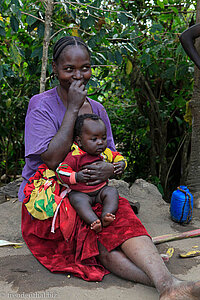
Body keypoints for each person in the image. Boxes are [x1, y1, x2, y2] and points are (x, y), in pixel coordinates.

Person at [18, 35, 200, 299]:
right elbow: (51, 160)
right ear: (55, 69)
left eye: (85, 68)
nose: (78, 76)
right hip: (50, 198)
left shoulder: (98, 109)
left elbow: (111, 154)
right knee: (95, 236)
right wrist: (72, 108)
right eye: (69, 69)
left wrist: (112, 169)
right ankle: (167, 284)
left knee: (123, 220)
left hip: (93, 190)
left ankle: (169, 285)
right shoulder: (41, 105)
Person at [56, 113, 126, 233]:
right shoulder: (75, 156)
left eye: (103, 138)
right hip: (81, 193)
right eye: (94, 139)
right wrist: (76, 177)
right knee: (77, 200)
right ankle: (93, 221)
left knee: (112, 192)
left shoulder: (104, 153)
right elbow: (60, 172)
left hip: (101, 191)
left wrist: (121, 164)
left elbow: (118, 157)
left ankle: (107, 215)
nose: (100, 142)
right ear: (80, 140)